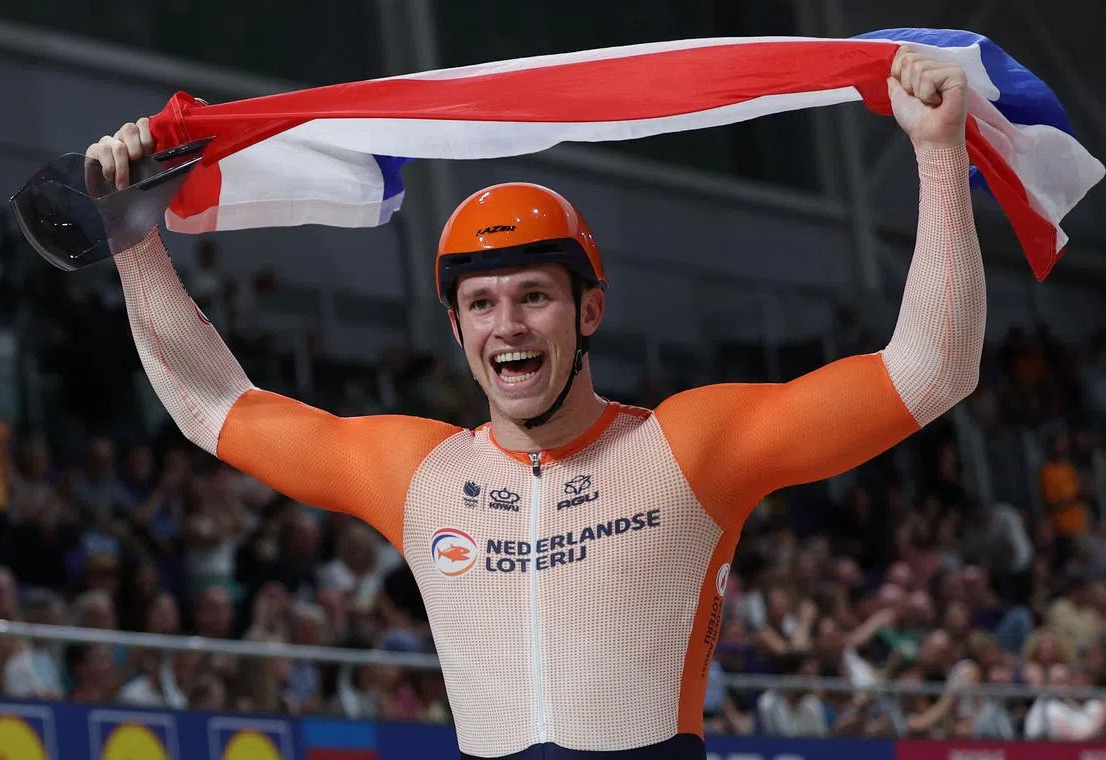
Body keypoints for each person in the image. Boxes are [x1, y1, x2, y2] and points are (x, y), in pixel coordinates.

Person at [85, 46, 984, 759]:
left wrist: (938, 154)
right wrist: (133, 238)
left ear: (589, 311)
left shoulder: (691, 448)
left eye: (534, 295)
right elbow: (213, 405)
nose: (506, 323)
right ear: (457, 328)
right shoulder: (418, 473)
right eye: (481, 302)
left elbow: (931, 368)